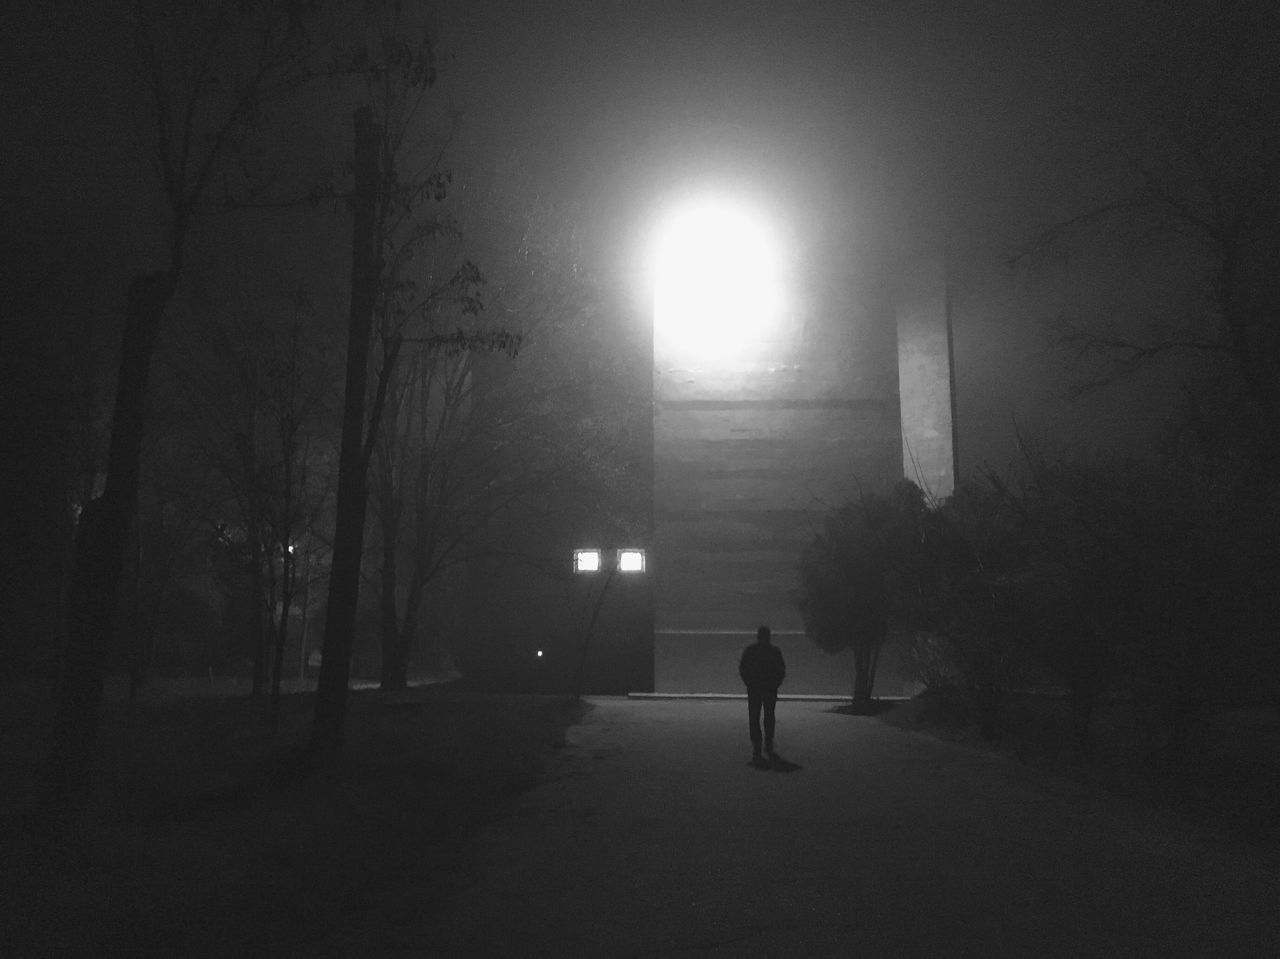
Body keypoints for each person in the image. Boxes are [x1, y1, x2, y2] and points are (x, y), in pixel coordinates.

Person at [739, 625, 785, 759]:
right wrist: (776, 683)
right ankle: (768, 742)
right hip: (769, 688)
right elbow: (781, 670)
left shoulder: (750, 651)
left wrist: (748, 682)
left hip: (754, 688)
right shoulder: (774, 651)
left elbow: (743, 668)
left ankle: (757, 744)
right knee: (769, 716)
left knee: (754, 717)